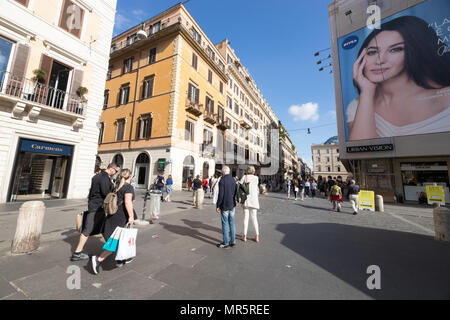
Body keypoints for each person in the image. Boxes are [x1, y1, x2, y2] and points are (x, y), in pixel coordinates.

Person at [347, 16, 450, 141]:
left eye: (395, 49)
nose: (380, 60)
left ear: (414, 52)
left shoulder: (446, 97)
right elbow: (361, 156)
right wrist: (367, 92)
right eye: (372, 52)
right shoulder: (358, 105)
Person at [71, 163, 119, 261]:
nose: (116, 173)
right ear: (111, 168)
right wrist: (113, 187)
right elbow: (106, 193)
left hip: (94, 205)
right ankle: (77, 253)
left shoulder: (96, 176)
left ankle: (112, 249)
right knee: (88, 230)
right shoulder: (105, 178)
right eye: (116, 171)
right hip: (98, 207)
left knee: (102, 228)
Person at [91, 169, 136, 274]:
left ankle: (122, 258)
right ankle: (98, 259)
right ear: (130, 177)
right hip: (121, 216)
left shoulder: (116, 186)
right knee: (117, 241)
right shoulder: (128, 187)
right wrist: (131, 216)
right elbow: (128, 202)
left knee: (117, 239)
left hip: (112, 215)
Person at [216, 166, 237, 249]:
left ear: (223, 172)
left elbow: (220, 195)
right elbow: (235, 192)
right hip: (232, 204)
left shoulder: (222, 180)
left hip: (225, 205)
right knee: (232, 222)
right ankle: (233, 241)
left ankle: (226, 243)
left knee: (225, 223)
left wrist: (218, 205)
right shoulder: (233, 180)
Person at [240, 166, 260, 243]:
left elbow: (240, 185)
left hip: (246, 200)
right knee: (254, 218)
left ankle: (244, 236)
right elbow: (256, 187)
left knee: (246, 218)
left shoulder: (244, 177)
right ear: (253, 171)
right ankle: (257, 235)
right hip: (254, 200)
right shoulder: (256, 178)